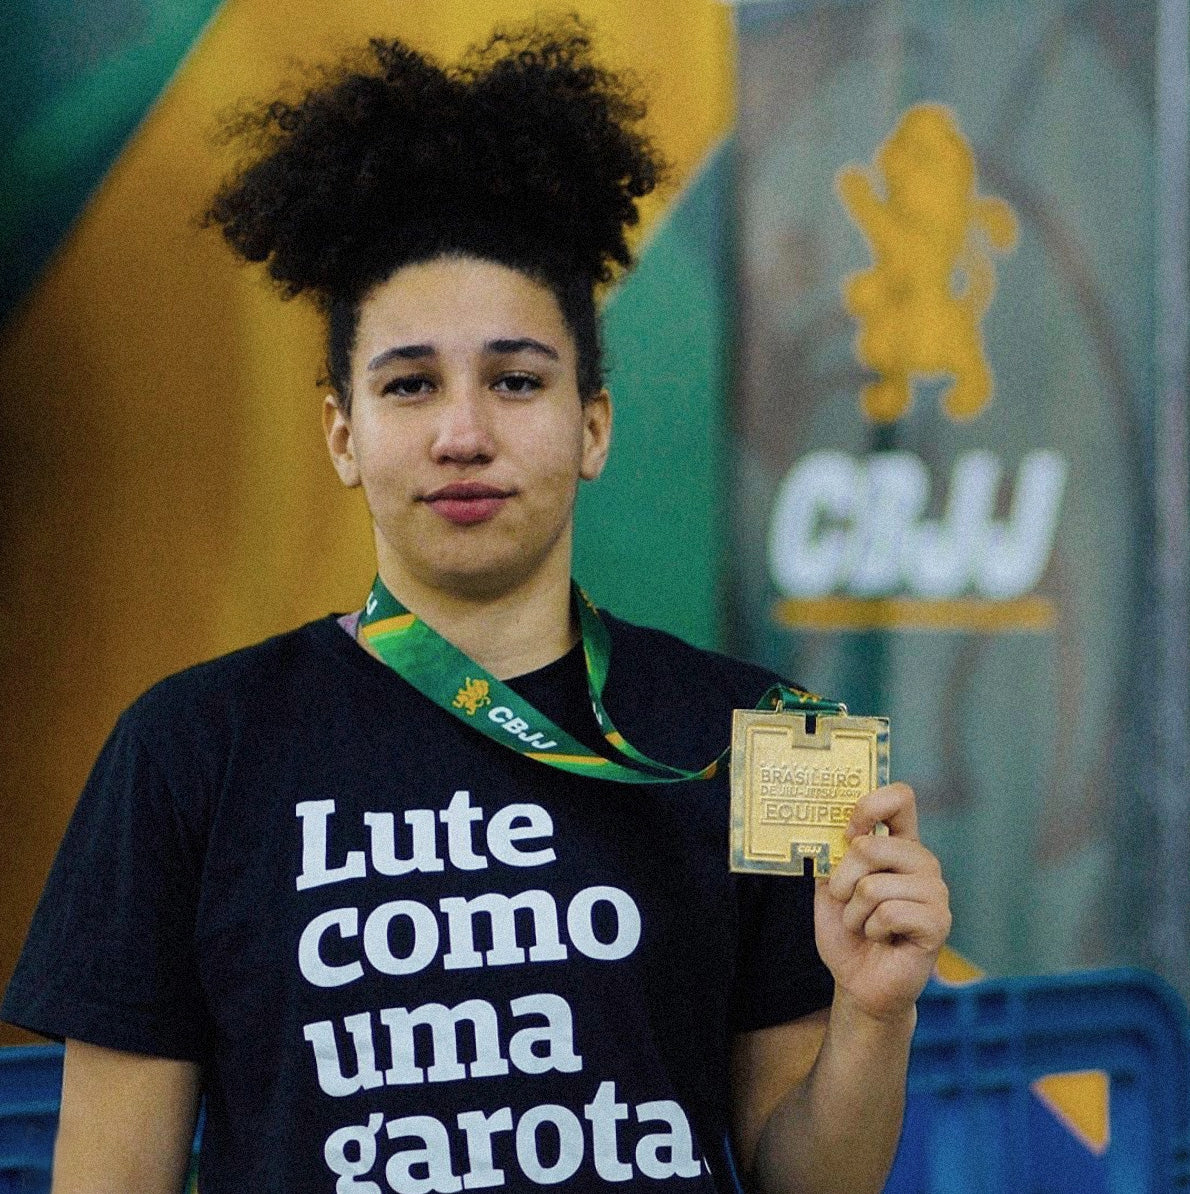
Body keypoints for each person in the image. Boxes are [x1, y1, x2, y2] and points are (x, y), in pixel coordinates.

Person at [2, 21, 950, 1194]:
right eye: (408, 385)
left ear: (591, 424)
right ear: (341, 435)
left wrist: (873, 1015)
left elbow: (808, 1182)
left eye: (514, 380)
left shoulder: (769, 737)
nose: (462, 433)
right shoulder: (188, 749)